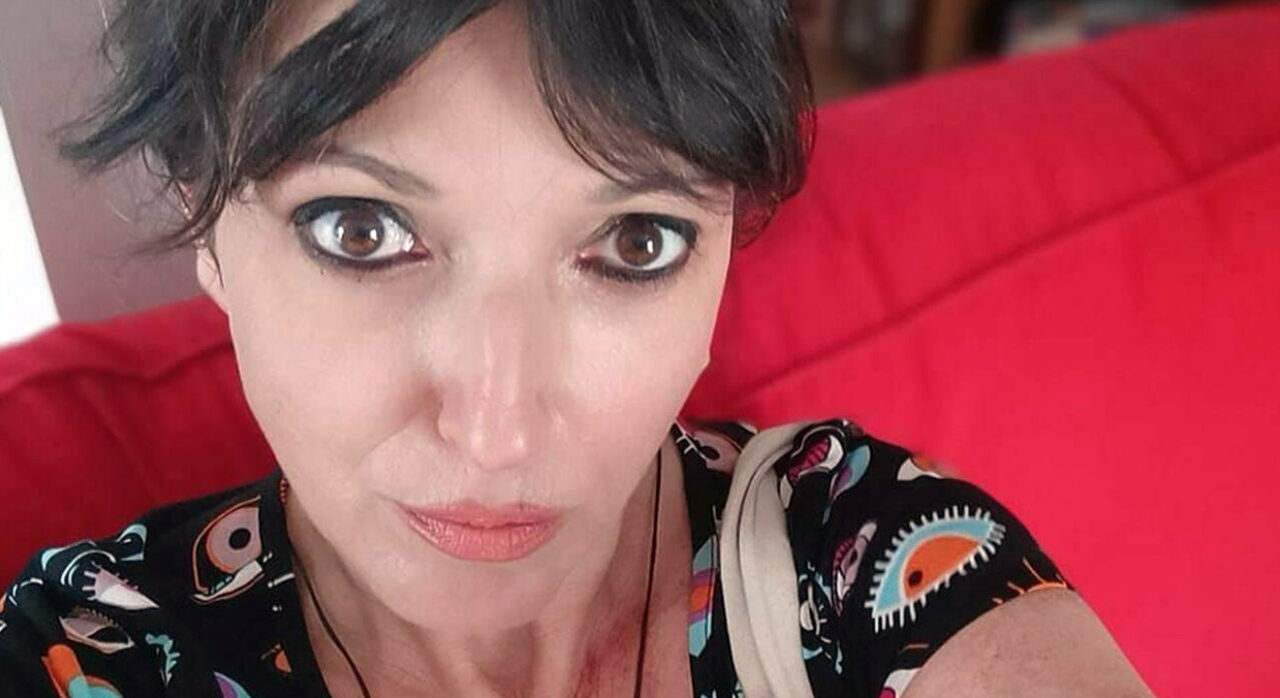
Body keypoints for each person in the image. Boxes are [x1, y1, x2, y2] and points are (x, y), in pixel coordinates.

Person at [0, 0, 1152, 696]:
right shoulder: (84, 649)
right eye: (360, 229)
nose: (496, 431)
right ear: (204, 214)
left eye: (634, 241)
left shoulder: (862, 557)